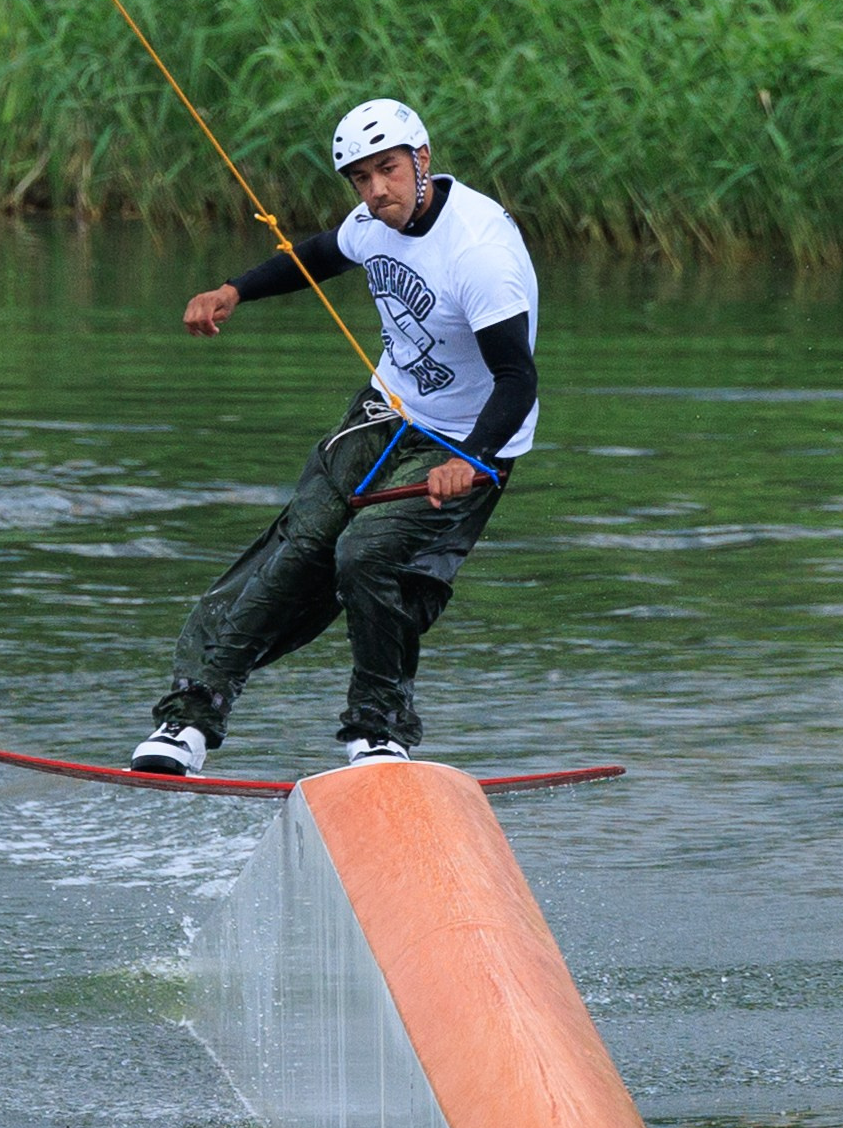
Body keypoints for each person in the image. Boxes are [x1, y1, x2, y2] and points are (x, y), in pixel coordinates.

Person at [131, 98, 540, 775]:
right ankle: (188, 721)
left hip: (468, 441)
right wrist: (235, 289)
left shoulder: (479, 252)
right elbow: (319, 253)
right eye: (360, 178)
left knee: (366, 556)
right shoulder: (376, 223)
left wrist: (471, 457)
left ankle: (380, 732)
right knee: (297, 548)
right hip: (381, 416)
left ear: (422, 160)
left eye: (387, 170)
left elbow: (516, 378)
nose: (376, 190)